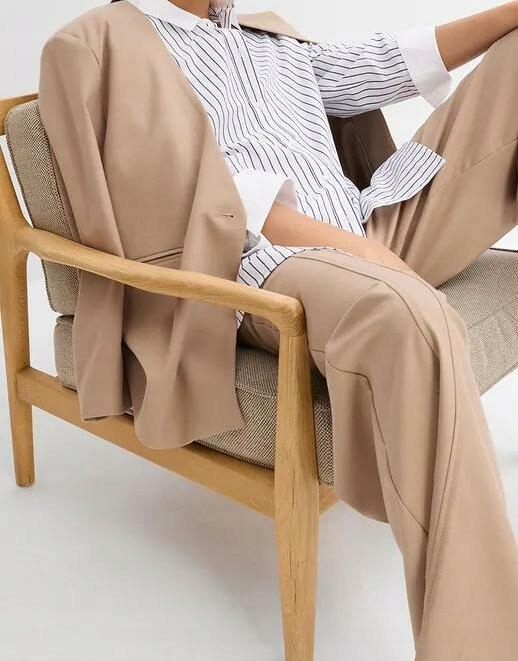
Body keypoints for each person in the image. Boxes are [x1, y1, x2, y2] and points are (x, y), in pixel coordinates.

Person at [63, 0, 518, 657]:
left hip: (373, 222)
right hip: (269, 269)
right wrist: (372, 261)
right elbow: (190, 198)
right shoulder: (104, 44)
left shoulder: (265, 34)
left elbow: (383, 63)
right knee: (414, 320)